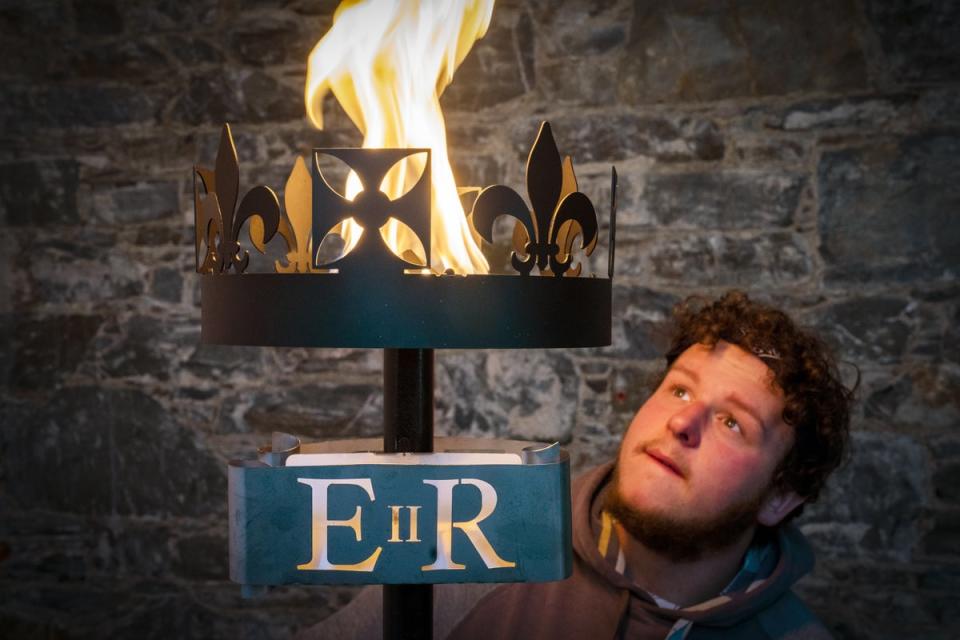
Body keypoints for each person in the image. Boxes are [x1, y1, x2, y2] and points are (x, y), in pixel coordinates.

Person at [298, 290, 855, 639]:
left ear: (781, 496)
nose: (683, 424)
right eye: (680, 391)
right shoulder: (481, 549)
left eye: (733, 423)